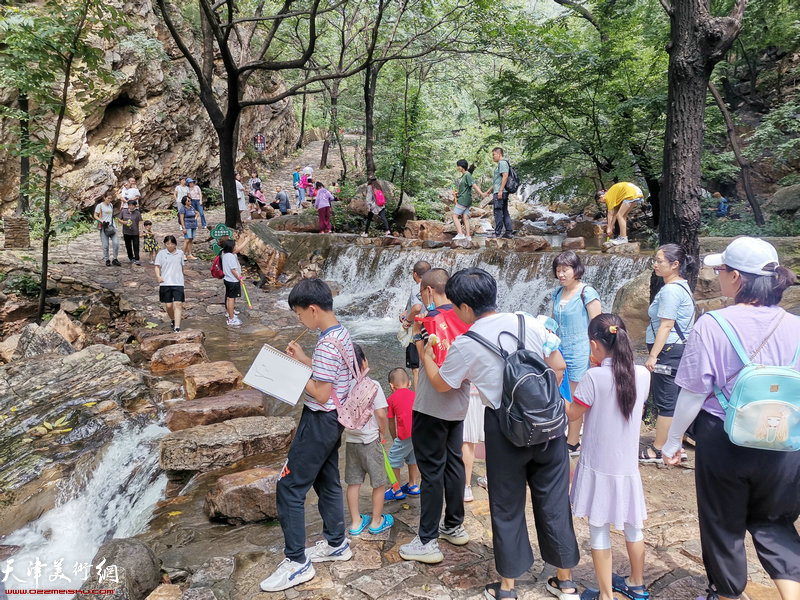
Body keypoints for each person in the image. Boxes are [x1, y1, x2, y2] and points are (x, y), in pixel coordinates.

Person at [423, 267, 581, 600]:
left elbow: (442, 384)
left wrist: (426, 357)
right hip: (549, 424)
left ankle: (508, 587)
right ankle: (565, 582)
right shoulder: (528, 321)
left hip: (505, 429)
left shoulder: (467, 343)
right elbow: (558, 365)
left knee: (507, 505)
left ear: (465, 308)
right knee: (554, 500)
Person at [662, 237, 800, 600]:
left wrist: (673, 441)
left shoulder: (713, 325)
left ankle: (725, 594)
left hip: (725, 438)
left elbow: (693, 392)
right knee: (777, 523)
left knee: (723, 524)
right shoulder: (797, 326)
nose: (717, 275)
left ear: (736, 277)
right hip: (783, 438)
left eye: (720, 270)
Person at [260, 279, 355, 593]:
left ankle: (297, 562)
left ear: (313, 310)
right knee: (326, 480)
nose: (300, 321)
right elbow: (331, 375)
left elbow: (322, 392)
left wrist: (290, 372)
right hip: (334, 423)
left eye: (300, 314)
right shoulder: (340, 334)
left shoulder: (327, 344)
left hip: (319, 421)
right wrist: (303, 359)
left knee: (288, 486)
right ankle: (336, 543)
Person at [566, 314, 650, 600]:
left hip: (598, 464)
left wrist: (554, 383)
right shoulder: (643, 375)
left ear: (594, 344)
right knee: (632, 525)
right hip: (626, 465)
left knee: (598, 528)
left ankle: (605, 595)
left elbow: (573, 413)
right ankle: (637, 584)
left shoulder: (594, 377)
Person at [399, 268, 472, 564]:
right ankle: (454, 525)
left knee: (430, 472)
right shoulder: (465, 318)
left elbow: (423, 359)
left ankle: (427, 540)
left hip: (431, 406)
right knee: (453, 463)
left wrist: (416, 335)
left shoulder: (429, 321)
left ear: (429, 291)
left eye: (421, 293)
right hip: (459, 405)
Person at [640, 244, 696, 462]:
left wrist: (653, 356)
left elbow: (666, 325)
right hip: (676, 349)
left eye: (659, 261)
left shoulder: (672, 290)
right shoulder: (681, 286)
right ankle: (675, 447)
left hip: (668, 350)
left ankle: (659, 448)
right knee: (673, 398)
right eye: (655, 260)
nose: (655, 264)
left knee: (666, 400)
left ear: (675, 265)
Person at [551, 251, 602, 455]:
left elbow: (597, 325)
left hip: (580, 351)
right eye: (558, 270)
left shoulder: (587, 293)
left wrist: (595, 354)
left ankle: (573, 442)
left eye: (565, 270)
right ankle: (563, 435)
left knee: (574, 397)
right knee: (560, 393)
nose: (561, 274)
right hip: (559, 350)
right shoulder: (557, 293)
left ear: (576, 270)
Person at [344, 343, 393, 536]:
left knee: (353, 483)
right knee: (378, 482)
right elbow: (381, 413)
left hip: (351, 441)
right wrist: (383, 432)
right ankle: (376, 521)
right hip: (371, 441)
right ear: (364, 362)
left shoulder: (343, 387)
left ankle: (356, 523)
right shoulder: (374, 385)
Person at [384, 367, 420, 501]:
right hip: (418, 433)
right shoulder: (415, 395)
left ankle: (396, 489)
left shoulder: (391, 399)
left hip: (404, 434)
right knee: (412, 457)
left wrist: (394, 438)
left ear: (391, 385)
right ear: (409, 383)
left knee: (393, 459)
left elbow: (391, 423)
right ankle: (413, 485)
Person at [400, 260, 432, 389]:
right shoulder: (436, 286)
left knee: (416, 367)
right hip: (432, 327)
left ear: (414, 274)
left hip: (418, 329)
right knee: (431, 360)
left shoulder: (416, 288)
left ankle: (418, 399)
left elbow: (417, 307)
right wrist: (405, 311)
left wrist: (407, 321)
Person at [154, 235, 185, 333]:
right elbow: (157, 266)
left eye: (171, 244)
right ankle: (173, 319)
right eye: (167, 244)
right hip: (165, 282)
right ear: (165, 244)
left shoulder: (180, 253)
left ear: (175, 244)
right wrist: (158, 276)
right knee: (168, 306)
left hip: (178, 282)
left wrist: (182, 277)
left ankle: (177, 327)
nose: (170, 246)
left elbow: (182, 266)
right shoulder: (161, 254)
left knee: (178, 304)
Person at [482, 147, 513, 239]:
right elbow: (498, 180)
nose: (493, 157)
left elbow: (505, 176)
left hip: (500, 192)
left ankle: (498, 232)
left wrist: (500, 191)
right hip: (501, 191)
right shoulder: (501, 164)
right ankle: (508, 232)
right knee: (504, 211)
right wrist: (490, 190)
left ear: (499, 154)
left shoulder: (502, 163)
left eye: (494, 154)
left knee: (498, 211)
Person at [461, 384, 484, 502]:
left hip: (469, 391)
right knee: (488, 436)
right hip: (489, 391)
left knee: (467, 440)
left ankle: (466, 486)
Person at [452, 160, 483, 241]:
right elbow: (465, 188)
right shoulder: (463, 176)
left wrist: (481, 194)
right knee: (465, 217)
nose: (458, 167)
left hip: (464, 199)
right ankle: (468, 236)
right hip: (464, 198)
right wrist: (457, 193)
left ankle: (460, 234)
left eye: (458, 166)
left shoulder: (467, 174)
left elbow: (473, 185)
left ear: (462, 167)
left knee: (454, 216)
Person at [93, 195, 121, 267]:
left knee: (116, 243)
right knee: (105, 245)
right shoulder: (100, 206)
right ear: (104, 198)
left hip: (112, 226)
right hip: (104, 227)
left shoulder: (111, 205)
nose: (110, 200)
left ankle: (115, 259)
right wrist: (102, 221)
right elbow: (95, 215)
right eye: (108, 198)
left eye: (111, 198)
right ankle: (107, 259)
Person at [220, 239, 243, 326]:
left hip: (227, 279)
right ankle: (231, 318)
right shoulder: (231, 256)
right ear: (231, 248)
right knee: (231, 300)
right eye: (235, 246)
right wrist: (240, 278)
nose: (236, 247)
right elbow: (233, 270)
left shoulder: (224, 254)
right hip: (233, 280)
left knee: (229, 298)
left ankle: (229, 314)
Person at [120, 199, 143, 265]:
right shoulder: (123, 211)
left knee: (136, 245)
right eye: (130, 205)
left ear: (135, 206)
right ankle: (131, 258)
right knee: (128, 246)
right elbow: (119, 219)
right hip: (126, 232)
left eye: (133, 205)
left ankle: (137, 259)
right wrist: (123, 222)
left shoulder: (137, 213)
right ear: (128, 205)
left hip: (135, 232)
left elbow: (140, 222)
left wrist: (141, 231)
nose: (131, 207)